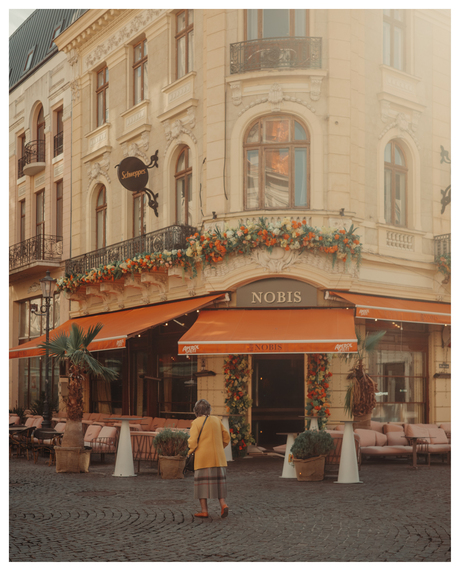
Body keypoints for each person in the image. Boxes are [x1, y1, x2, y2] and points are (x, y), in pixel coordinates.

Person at [187, 399, 230, 518]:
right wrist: (220, 447)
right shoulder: (217, 420)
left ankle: (204, 510)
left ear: (196, 411)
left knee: (201, 485)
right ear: (209, 410)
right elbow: (226, 437)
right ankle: (223, 505)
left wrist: (189, 452)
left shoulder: (196, 423)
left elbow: (193, 442)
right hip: (219, 459)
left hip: (203, 459)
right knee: (219, 484)